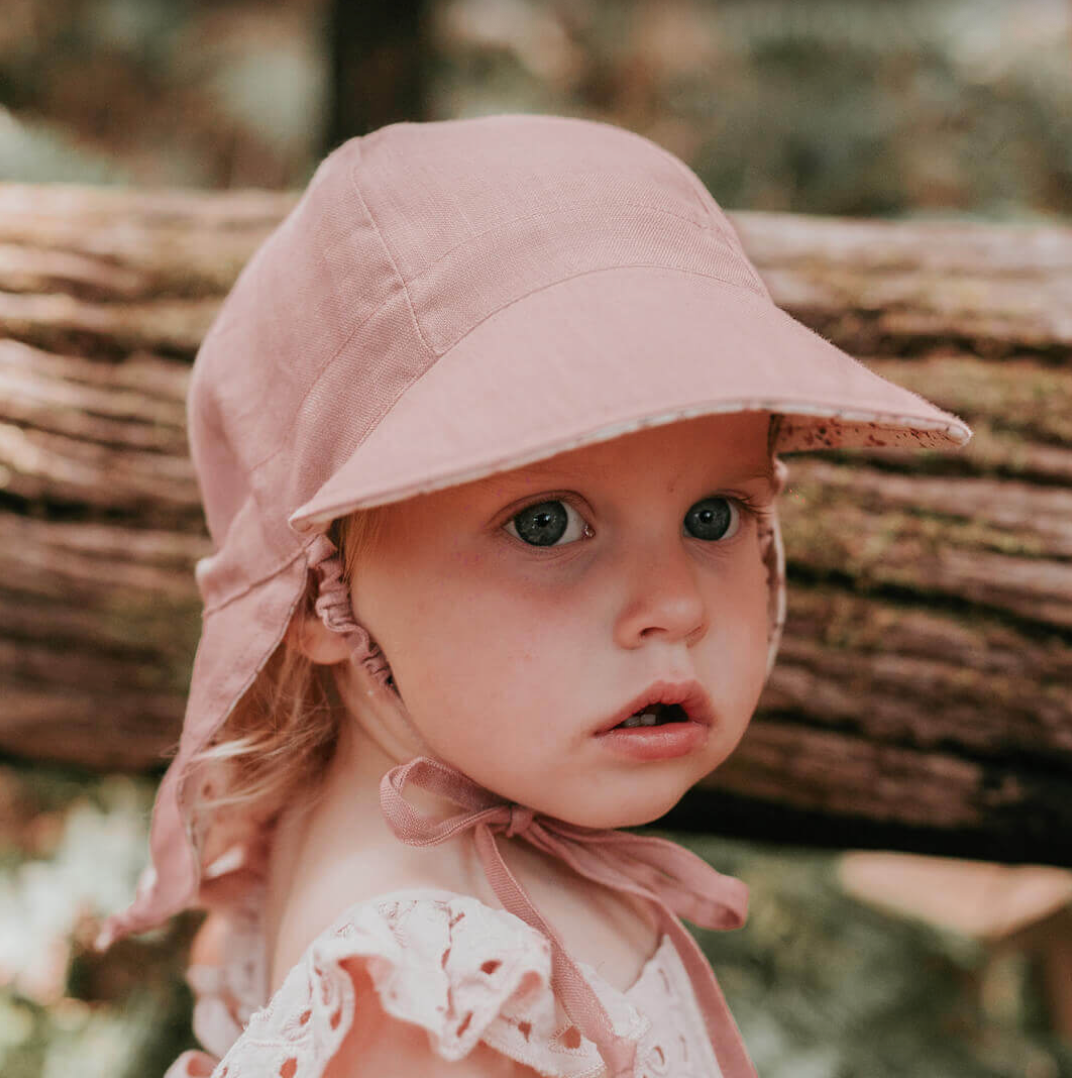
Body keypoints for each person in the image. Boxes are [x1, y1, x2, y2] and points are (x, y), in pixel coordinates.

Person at [94, 113, 971, 1077]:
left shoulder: (397, 854)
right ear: (314, 596)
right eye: (546, 524)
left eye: (716, 517)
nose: (674, 605)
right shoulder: (429, 997)